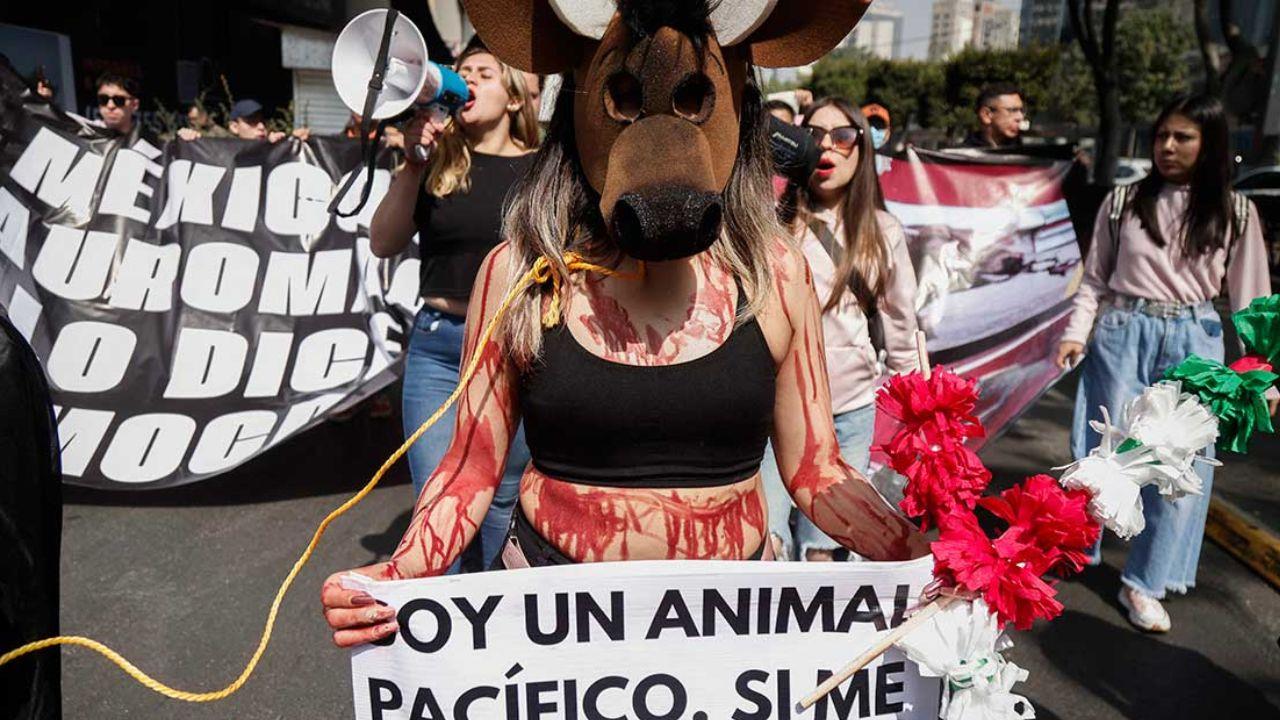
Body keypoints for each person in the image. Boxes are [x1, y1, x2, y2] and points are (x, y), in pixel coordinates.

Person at [321, 0, 926, 646]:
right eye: (624, 98)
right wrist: (396, 573)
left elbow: (817, 471)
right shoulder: (519, 272)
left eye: (695, 100)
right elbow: (469, 472)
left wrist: (915, 555)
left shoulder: (775, 272)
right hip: (556, 632)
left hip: (729, 633)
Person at [1056, 94, 1275, 633]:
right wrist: (1075, 333)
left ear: (1211, 144)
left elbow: (1252, 306)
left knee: (1180, 468)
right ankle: (1070, 551)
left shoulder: (1237, 211)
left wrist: (1260, 375)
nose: (1168, 147)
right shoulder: (1122, 201)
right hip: (1122, 331)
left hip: (1195, 346)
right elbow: (1096, 280)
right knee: (1100, 450)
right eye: (1162, 136)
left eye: (1184, 137)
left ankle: (1145, 582)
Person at [367, 37, 540, 573]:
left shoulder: (542, 171)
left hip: (514, 349)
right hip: (439, 351)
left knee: (500, 503)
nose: (469, 81)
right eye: (463, 72)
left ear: (514, 97)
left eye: (484, 73)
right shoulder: (437, 166)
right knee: (437, 501)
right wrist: (413, 164)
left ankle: (490, 624)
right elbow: (382, 240)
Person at [766, 98, 922, 561]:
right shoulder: (767, 224)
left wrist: (922, 413)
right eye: (813, 135)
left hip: (850, 414)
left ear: (862, 149)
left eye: (843, 136)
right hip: (774, 416)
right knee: (768, 548)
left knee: (825, 554)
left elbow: (900, 322)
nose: (828, 147)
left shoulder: (883, 231)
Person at [963, 83, 1024, 149]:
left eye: (1021, 110)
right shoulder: (963, 155)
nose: (1020, 117)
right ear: (986, 115)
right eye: (1012, 110)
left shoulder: (1027, 153)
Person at [93, 72, 140, 137]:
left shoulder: (149, 140)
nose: (110, 106)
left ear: (135, 105)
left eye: (119, 100)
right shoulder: (83, 135)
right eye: (103, 99)